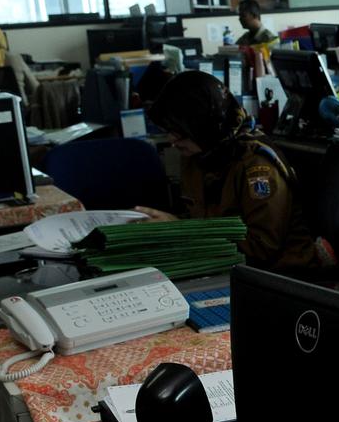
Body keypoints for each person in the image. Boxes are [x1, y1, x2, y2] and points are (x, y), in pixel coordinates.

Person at [137, 71, 324, 272]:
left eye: (180, 132)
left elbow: (261, 248)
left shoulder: (256, 166)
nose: (173, 141)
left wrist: (182, 231)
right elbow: (197, 216)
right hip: (226, 264)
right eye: (169, 130)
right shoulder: (199, 154)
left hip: (279, 272)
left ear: (202, 125)